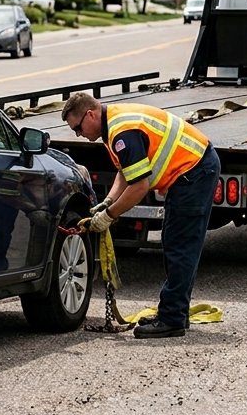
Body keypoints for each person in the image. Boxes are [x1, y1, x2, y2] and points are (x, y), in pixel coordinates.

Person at [61, 92, 221, 339]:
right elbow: (125, 172)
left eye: (78, 128)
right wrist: (108, 201)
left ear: (90, 114)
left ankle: (173, 319)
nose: (78, 135)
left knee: (180, 246)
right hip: (193, 170)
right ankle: (174, 312)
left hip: (195, 171)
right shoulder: (113, 125)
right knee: (174, 242)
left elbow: (139, 186)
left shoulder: (123, 131)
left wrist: (110, 216)